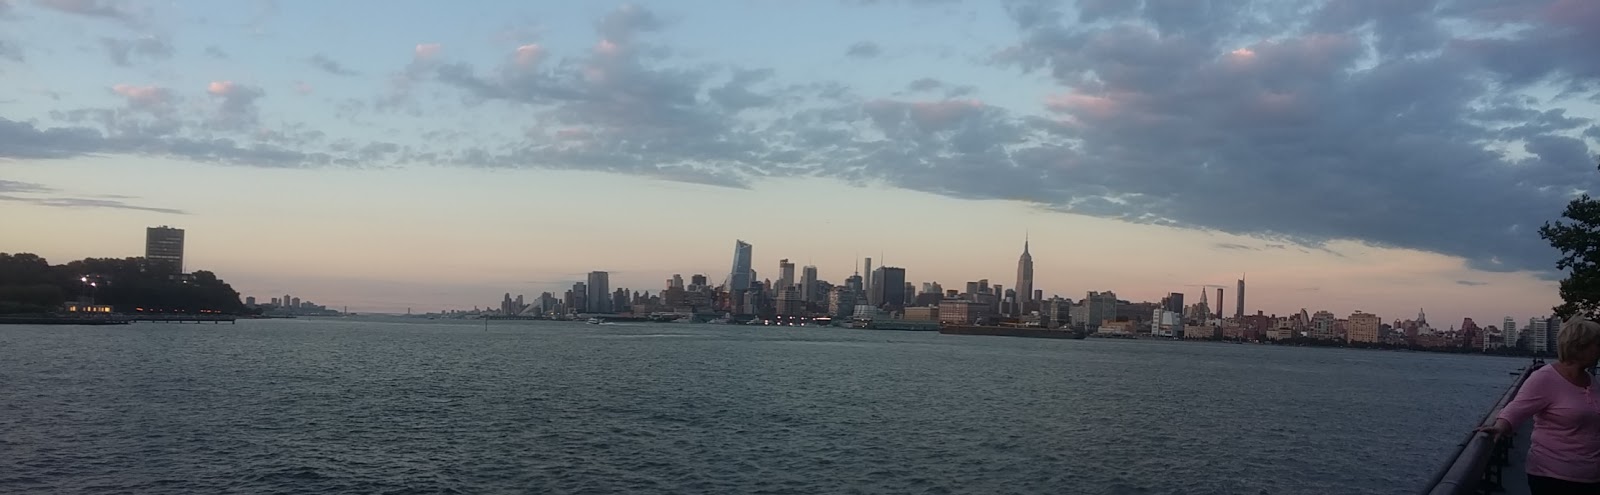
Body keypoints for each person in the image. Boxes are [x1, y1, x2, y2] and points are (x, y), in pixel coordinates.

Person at [1481, 318, 1600, 493]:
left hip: (1591, 478)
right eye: (1597, 344)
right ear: (1579, 346)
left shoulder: (1591, 381)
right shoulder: (1545, 378)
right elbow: (1517, 408)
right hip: (1553, 477)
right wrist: (1500, 427)